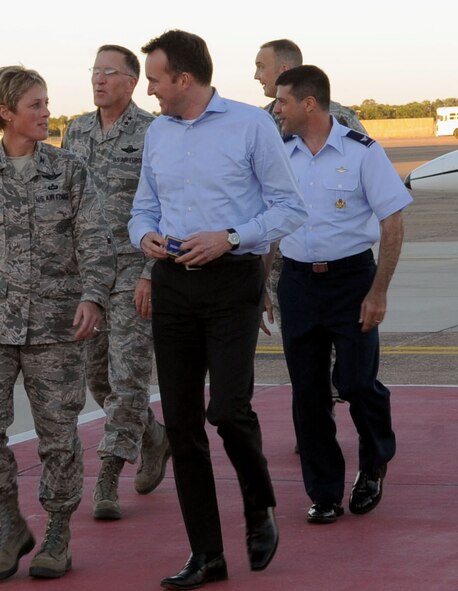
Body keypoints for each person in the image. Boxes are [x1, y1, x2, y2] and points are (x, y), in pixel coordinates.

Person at [129, 30, 306, 590]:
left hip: (232, 281)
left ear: (184, 78)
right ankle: (206, 554)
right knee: (182, 425)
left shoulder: (250, 125)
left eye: (155, 79)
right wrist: (146, 238)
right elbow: (142, 208)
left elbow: (288, 208)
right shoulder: (157, 132)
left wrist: (231, 237)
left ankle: (260, 505)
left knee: (227, 409)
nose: (150, 90)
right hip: (173, 283)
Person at [0, 65, 114, 581]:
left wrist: (94, 297)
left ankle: (57, 531)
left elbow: (95, 240)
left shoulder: (71, 171)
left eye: (46, 102)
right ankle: (11, 522)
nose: (46, 112)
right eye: (35, 105)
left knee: (58, 436)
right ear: (6, 113)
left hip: (58, 327)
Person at [272, 65, 411, 524]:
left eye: (283, 101)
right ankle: (325, 491)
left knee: (354, 382)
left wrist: (379, 291)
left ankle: (373, 463)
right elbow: (267, 224)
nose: (276, 109)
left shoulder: (362, 153)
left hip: (351, 280)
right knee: (308, 393)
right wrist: (261, 289)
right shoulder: (279, 155)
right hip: (296, 283)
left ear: (309, 104)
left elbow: (392, 221)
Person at [62, 44, 170, 521]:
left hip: (133, 269)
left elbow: (169, 205)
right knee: (97, 378)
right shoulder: (77, 130)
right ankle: (152, 435)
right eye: (94, 71)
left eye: (110, 72)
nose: (99, 80)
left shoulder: (154, 132)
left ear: (132, 81)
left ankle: (107, 477)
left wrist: (151, 272)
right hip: (88, 276)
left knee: (127, 379)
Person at [254, 39, 367, 340]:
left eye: (261, 66)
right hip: (286, 267)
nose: (256, 76)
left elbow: (363, 176)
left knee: (343, 358)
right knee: (303, 356)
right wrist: (260, 282)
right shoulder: (260, 123)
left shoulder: (341, 119)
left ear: (285, 70)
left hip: (338, 263)